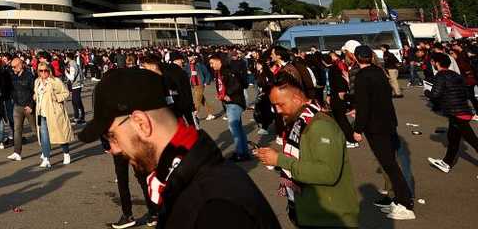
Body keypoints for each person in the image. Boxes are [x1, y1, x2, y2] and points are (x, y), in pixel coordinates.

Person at [82, 67, 278, 229]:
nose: (113, 149)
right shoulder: (186, 176)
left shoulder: (213, 208)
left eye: (112, 136)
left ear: (141, 123)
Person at [255, 71, 360, 228]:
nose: (277, 110)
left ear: (297, 98)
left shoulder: (319, 126)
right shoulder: (300, 122)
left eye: (280, 104)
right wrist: (274, 160)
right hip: (311, 212)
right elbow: (303, 160)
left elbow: (327, 173)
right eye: (274, 106)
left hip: (330, 218)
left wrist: (280, 159)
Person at [348, 45, 414, 219]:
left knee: (389, 165)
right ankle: (400, 199)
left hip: (375, 126)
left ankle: (405, 202)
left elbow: (363, 106)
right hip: (388, 122)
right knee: (391, 162)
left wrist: (357, 129)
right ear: (371, 57)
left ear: (356, 58)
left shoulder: (362, 77)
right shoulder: (379, 72)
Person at [425, 50, 478, 174]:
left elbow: (435, 95)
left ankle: (446, 162)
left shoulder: (440, 75)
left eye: (433, 62)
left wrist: (427, 91)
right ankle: (446, 162)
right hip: (461, 110)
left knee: (473, 141)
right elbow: (466, 93)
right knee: (453, 138)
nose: (432, 64)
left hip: (456, 112)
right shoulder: (456, 75)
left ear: (437, 63)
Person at [207, 54, 252, 161]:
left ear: (219, 61)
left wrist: (228, 94)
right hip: (230, 103)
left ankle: (240, 153)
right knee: (238, 128)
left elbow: (237, 85)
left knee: (234, 128)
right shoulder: (220, 72)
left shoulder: (227, 71)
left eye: (212, 62)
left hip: (234, 102)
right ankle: (243, 152)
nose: (211, 65)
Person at [34, 62, 73, 168]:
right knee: (44, 137)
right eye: (40, 71)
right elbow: (36, 93)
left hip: (54, 112)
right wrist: (35, 96)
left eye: (45, 70)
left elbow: (66, 93)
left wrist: (57, 98)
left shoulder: (55, 81)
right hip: (41, 113)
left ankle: (66, 153)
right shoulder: (37, 81)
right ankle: (46, 158)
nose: (43, 73)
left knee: (60, 134)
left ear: (49, 70)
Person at [7, 55, 35, 161]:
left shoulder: (29, 76)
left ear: (20, 66)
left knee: (35, 130)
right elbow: (11, 89)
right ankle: (17, 152)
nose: (12, 69)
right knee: (17, 130)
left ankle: (45, 150)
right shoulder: (12, 76)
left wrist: (31, 105)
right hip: (17, 106)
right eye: (12, 67)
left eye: (14, 67)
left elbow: (34, 91)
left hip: (28, 107)